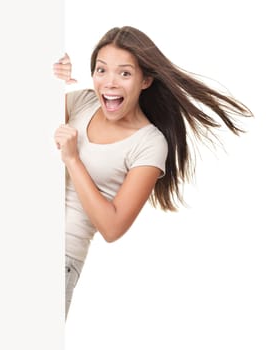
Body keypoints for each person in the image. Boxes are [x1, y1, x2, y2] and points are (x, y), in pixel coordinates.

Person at [53, 26, 253, 319]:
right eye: (101, 70)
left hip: (63, 254)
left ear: (145, 80)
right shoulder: (83, 102)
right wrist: (49, 75)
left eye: (124, 73)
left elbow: (112, 227)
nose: (110, 82)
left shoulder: (149, 143)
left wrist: (72, 160)